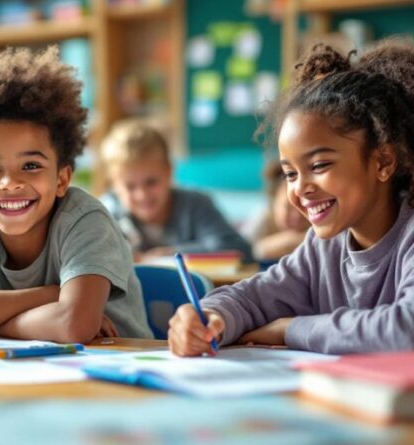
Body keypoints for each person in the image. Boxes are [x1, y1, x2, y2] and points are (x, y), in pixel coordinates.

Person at [169, 39, 414, 355]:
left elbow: (406, 329)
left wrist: (291, 329)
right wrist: (210, 317)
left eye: (319, 165)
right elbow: (254, 296)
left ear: (383, 162)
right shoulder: (322, 246)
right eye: (290, 173)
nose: (299, 189)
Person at [0, 46, 151, 342]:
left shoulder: (85, 220)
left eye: (30, 165)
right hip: (26, 367)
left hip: (120, 364)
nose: (10, 183)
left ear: (62, 179)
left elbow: (74, 325)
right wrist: (54, 295)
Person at [100, 118, 253, 262]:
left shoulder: (195, 205)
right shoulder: (105, 213)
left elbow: (237, 249)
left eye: (151, 182)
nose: (142, 195)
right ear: (114, 184)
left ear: (169, 172)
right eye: (130, 187)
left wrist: (168, 254)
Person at [241, 160, 310, 260]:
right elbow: (245, 251)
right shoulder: (264, 216)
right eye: (288, 207)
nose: (297, 215)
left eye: (305, 205)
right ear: (273, 205)